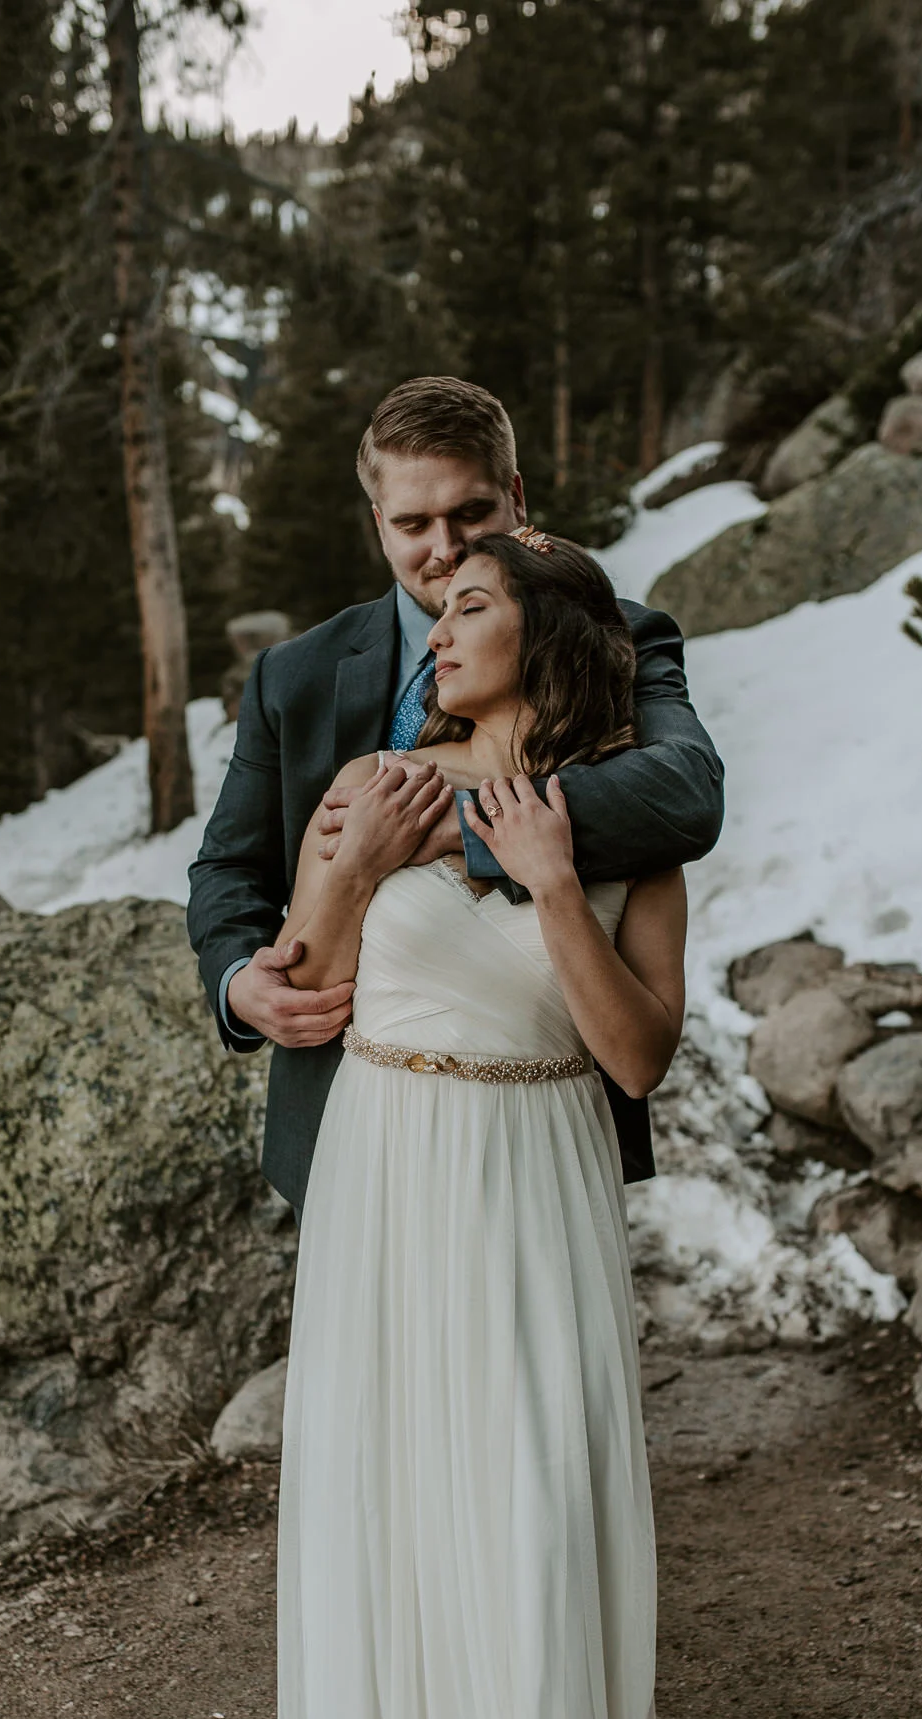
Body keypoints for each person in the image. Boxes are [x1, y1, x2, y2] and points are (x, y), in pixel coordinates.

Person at [231, 526, 727, 1719]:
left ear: (547, 635)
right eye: (433, 609)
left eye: (468, 605)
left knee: (530, 1497)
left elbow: (635, 1056)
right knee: (394, 1498)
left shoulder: (623, 825)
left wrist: (555, 881)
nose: (434, 630)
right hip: (388, 1165)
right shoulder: (377, 781)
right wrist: (351, 865)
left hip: (536, 1171)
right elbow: (310, 981)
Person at [185, 376, 724, 1218]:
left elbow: (684, 792)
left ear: (516, 497)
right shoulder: (294, 675)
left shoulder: (609, 636)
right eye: (412, 524)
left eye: (470, 512)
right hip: (348, 1118)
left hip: (546, 1120)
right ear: (378, 524)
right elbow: (229, 864)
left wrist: (462, 824)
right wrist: (236, 982)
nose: (443, 547)